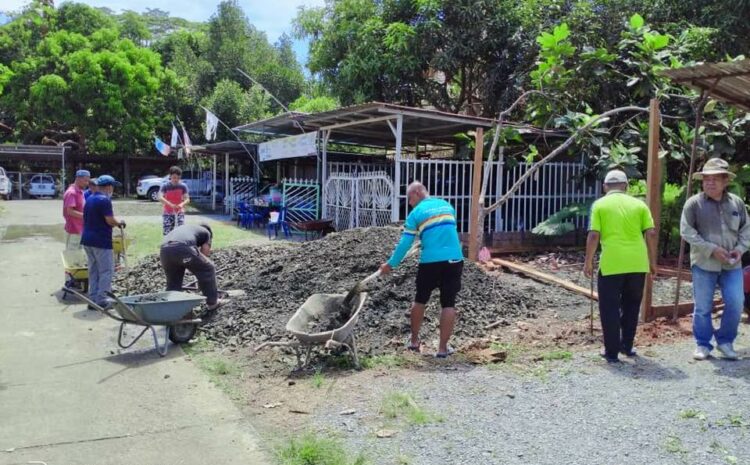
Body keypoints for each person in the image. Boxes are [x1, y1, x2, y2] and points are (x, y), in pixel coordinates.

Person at [379, 181, 464, 358]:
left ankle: (414, 341)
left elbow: (405, 243)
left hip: (430, 261)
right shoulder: (447, 205)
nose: (409, 202)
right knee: (449, 303)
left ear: (417, 192)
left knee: (420, 300)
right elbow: (444, 231)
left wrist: (390, 264)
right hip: (454, 259)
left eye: (410, 198)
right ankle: (442, 349)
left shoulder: (416, 213)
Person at [584, 169, 657, 363]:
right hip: (637, 264)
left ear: (605, 187)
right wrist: (652, 261)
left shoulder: (599, 205)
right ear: (625, 186)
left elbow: (593, 235)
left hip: (612, 264)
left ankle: (611, 352)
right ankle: (627, 346)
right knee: (632, 306)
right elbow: (650, 233)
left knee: (609, 307)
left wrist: (588, 261)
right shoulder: (640, 205)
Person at [680, 158, 750, 360]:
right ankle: (703, 344)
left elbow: (746, 230)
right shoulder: (694, 204)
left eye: (715, 179)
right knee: (702, 306)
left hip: (732, 264)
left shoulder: (737, 203)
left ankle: (725, 341)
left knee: (736, 303)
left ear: (725, 180)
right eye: (706, 179)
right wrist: (711, 249)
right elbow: (686, 231)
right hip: (704, 263)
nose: (709, 183)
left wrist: (740, 249)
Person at [81, 175, 125, 309]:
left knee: (93, 270)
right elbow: (109, 220)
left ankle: (93, 298)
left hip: (87, 239)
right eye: (112, 187)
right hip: (100, 240)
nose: (113, 190)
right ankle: (102, 300)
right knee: (106, 270)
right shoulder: (104, 200)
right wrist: (120, 223)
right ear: (108, 187)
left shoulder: (90, 198)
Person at [160, 223, 224, 311]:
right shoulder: (206, 233)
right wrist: (197, 266)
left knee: (174, 282)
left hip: (164, 250)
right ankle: (212, 303)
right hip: (181, 247)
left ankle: (171, 309)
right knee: (208, 268)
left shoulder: (188, 229)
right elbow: (205, 252)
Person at [62, 169, 90, 250]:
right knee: (72, 254)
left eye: (88, 181)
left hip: (80, 228)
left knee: (78, 254)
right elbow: (70, 211)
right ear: (78, 179)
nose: (87, 183)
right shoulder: (72, 193)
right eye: (85, 181)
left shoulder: (80, 191)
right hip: (73, 229)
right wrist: (87, 216)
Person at [159, 166, 190, 236]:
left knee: (180, 230)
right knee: (167, 232)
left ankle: (179, 245)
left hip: (179, 211)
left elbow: (187, 199)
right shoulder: (165, 186)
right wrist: (170, 204)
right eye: (174, 177)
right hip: (168, 212)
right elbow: (160, 197)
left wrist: (181, 204)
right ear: (170, 176)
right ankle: (167, 245)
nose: (176, 180)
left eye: (178, 178)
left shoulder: (183, 186)